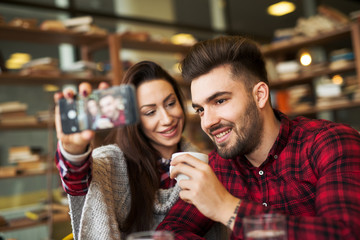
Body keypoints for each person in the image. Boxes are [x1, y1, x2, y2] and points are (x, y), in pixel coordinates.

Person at [157, 36, 360, 239]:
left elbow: (346, 234)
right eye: (200, 109)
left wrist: (226, 207)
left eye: (220, 101)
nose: (207, 122)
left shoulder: (331, 143)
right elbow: (168, 232)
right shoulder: (218, 166)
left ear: (260, 95)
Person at [54, 61, 227, 239]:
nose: (167, 119)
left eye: (170, 103)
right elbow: (77, 181)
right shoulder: (112, 162)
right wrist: (73, 150)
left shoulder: (205, 162)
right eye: (150, 112)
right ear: (134, 119)